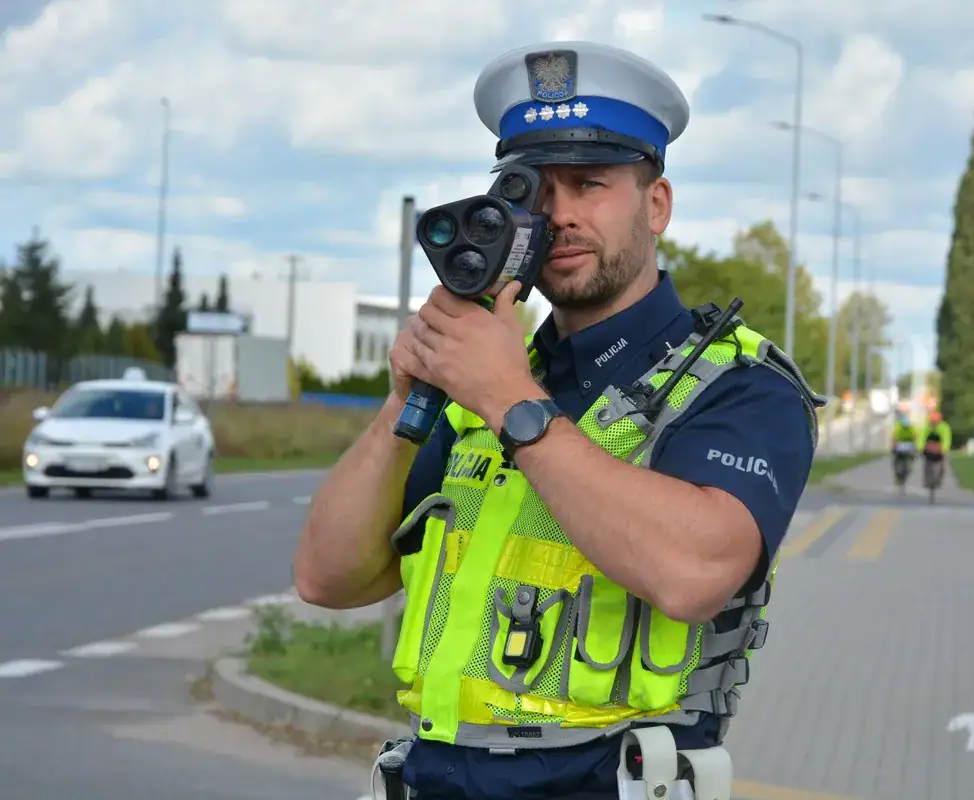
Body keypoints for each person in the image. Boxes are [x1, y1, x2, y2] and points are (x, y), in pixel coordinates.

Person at [293, 40, 824, 800]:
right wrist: (401, 407)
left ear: (657, 204)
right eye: (536, 191)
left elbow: (694, 572)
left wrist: (511, 399)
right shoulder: (491, 376)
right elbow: (327, 578)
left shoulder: (738, 385)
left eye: (591, 184)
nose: (561, 215)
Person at [920, 410, 952, 487]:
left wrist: (944, 450)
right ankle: (927, 481)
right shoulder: (926, 426)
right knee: (927, 465)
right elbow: (921, 437)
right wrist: (921, 448)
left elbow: (946, 439)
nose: (934, 423)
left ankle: (939, 480)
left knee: (943, 466)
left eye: (936, 421)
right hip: (929, 447)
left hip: (939, 448)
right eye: (932, 421)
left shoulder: (944, 427)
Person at [891, 411, 918, 477]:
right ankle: (896, 467)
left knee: (912, 455)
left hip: (909, 444)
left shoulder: (912, 428)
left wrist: (915, 446)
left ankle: (910, 466)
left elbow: (915, 437)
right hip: (900, 443)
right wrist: (894, 445)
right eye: (904, 426)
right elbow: (894, 437)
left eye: (907, 426)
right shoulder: (898, 427)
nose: (906, 427)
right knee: (896, 455)